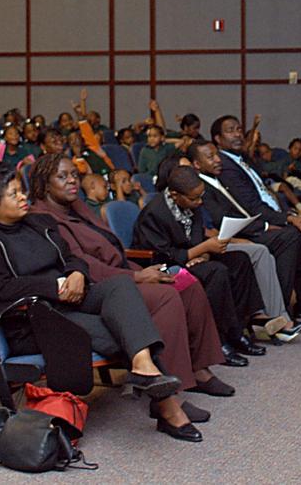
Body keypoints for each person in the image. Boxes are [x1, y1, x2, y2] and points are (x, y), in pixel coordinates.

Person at [0, 162, 200, 442]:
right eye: (14, 194)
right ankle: (169, 409)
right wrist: (55, 286)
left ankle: (143, 365)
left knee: (122, 286)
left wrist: (76, 273)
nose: (23, 197)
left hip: (74, 296)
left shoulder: (41, 223)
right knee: (124, 328)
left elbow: (72, 258)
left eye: (21, 190)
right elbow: (2, 287)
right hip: (36, 315)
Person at [28, 154, 232, 396]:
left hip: (126, 271)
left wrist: (140, 271)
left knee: (186, 281)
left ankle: (200, 369)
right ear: (44, 184)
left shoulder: (76, 207)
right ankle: (172, 385)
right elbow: (84, 264)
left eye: (74, 174)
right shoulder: (43, 218)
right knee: (165, 295)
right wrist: (138, 277)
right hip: (99, 287)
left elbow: (111, 249)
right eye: (62, 176)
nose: (72, 181)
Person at [208, 116, 301, 323]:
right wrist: (285, 219)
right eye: (230, 130)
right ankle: (281, 310)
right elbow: (250, 205)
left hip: (268, 215)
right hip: (249, 226)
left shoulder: (241, 158)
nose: (237, 134)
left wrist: (288, 215)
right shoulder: (223, 165)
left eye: (239, 129)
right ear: (217, 139)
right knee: (291, 235)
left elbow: (265, 192)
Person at [132, 166, 271, 359]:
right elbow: (162, 255)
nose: (199, 202)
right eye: (193, 198)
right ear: (174, 194)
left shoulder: (191, 203)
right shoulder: (154, 213)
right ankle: (218, 341)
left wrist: (202, 253)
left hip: (190, 257)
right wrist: (200, 251)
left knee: (240, 260)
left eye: (201, 196)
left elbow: (197, 238)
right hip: (165, 266)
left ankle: (237, 331)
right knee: (217, 272)